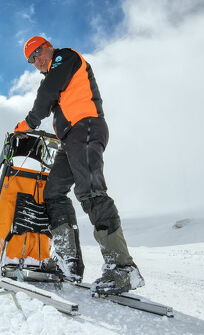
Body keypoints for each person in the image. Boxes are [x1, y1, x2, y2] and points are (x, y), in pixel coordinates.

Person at [14, 36, 144, 294]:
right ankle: (68, 262)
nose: (36, 60)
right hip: (70, 138)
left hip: (86, 126)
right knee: (53, 192)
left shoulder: (66, 57)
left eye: (38, 52)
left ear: (49, 46)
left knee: (91, 192)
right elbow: (51, 95)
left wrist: (29, 123)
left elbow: (48, 91)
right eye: (31, 60)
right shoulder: (53, 75)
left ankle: (122, 269)